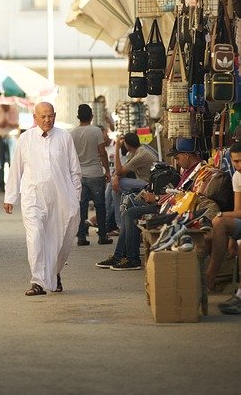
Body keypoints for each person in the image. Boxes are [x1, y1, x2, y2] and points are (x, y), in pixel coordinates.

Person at [3, 102, 81, 296]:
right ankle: (37, 281)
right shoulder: (25, 139)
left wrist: (75, 197)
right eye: (43, 116)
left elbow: (75, 170)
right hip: (33, 197)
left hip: (61, 197)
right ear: (35, 118)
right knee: (35, 236)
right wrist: (10, 197)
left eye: (50, 116)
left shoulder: (64, 137)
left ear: (55, 115)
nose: (47, 120)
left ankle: (55, 272)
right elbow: (16, 169)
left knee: (62, 238)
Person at [97, 137, 204, 271]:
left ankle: (131, 258)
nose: (177, 161)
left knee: (131, 212)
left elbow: (186, 198)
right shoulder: (188, 170)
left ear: (187, 155)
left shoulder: (198, 171)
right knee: (130, 209)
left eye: (177, 157)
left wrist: (157, 198)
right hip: (168, 205)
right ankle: (121, 255)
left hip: (175, 211)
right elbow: (179, 193)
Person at [206, 141, 241, 314]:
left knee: (219, 219)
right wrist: (232, 237)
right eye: (235, 161)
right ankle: (209, 280)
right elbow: (238, 211)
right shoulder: (237, 177)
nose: (238, 165)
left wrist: (220, 215)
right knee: (218, 224)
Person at [70, 104, 112, 246]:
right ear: (92, 117)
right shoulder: (96, 131)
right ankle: (102, 236)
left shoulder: (72, 133)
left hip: (79, 175)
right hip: (95, 174)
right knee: (100, 205)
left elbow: (70, 156)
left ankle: (81, 237)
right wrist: (107, 170)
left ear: (78, 117)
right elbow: (102, 152)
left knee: (81, 206)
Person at [111, 132, 158, 228]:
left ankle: (119, 224)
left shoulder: (141, 154)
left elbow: (119, 171)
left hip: (147, 184)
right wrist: (115, 177)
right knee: (113, 186)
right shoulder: (138, 151)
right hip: (143, 181)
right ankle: (115, 223)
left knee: (116, 186)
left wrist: (117, 148)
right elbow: (121, 171)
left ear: (127, 145)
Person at [0, 103, 19, 192]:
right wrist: (1, 123)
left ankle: (12, 186)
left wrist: (7, 123)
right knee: (0, 162)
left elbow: (16, 125)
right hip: (1, 137)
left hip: (10, 137)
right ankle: (1, 186)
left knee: (11, 162)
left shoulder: (14, 110)